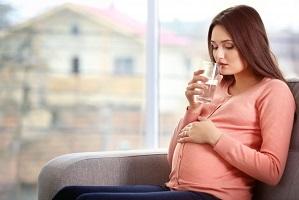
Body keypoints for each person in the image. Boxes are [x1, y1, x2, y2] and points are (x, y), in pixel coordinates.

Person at [52, 5, 295, 200]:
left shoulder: (273, 91)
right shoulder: (216, 87)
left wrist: (215, 137)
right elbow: (172, 157)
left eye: (229, 46)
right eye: (214, 47)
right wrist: (191, 108)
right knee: (68, 194)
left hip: (213, 197)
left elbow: (272, 170)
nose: (219, 56)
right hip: (175, 188)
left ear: (251, 43)